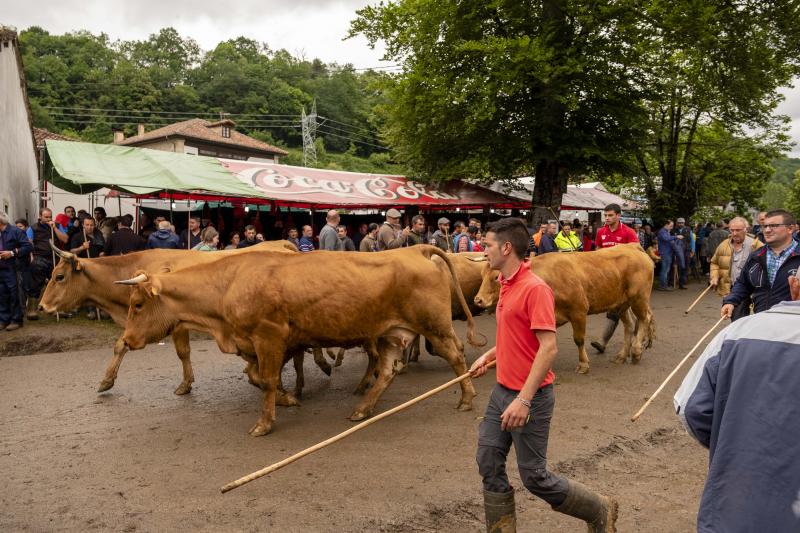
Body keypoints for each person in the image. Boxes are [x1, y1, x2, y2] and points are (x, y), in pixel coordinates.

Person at [469, 217, 617, 532]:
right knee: (488, 460)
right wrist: (490, 355)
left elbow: (548, 348)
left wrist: (523, 400)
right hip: (501, 392)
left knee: (534, 477)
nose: (484, 250)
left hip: (530, 397)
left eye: (488, 245)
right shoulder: (504, 284)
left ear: (506, 248)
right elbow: (515, 336)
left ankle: (599, 509)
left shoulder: (535, 288)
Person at [674, 269, 800, 533]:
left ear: (792, 284)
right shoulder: (755, 256)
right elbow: (739, 282)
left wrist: (731, 442)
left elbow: (691, 408)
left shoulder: (736, 333)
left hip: (734, 506)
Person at [721, 209, 800, 318]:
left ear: (790, 228)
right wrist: (730, 301)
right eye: (765, 226)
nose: (767, 230)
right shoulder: (756, 256)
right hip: (761, 321)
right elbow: (743, 283)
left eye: (774, 225)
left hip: (792, 325)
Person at [709, 217, 763, 321]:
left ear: (746, 229)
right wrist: (714, 277)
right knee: (737, 318)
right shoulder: (724, 245)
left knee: (758, 319)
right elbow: (714, 263)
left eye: (738, 230)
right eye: (732, 230)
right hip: (733, 289)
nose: (734, 233)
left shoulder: (757, 246)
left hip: (753, 289)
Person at [0, 211, 33, 331]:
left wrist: (12, 253)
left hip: (13, 268)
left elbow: (28, 247)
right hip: (1, 269)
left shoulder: (15, 231)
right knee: (2, 295)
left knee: (14, 295)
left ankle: (16, 320)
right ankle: (4, 320)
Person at [656, 220, 682, 291]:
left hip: (667, 253)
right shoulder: (662, 232)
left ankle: (664, 285)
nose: (671, 228)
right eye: (671, 226)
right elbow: (666, 238)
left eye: (672, 226)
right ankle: (663, 286)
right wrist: (676, 237)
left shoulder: (666, 231)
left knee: (666, 270)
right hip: (665, 253)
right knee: (665, 270)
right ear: (666, 225)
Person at [672, 217, 692, 289]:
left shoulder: (688, 229)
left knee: (686, 266)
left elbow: (692, 240)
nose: (681, 224)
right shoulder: (673, 229)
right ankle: (674, 282)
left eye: (682, 223)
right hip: (677, 251)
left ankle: (682, 282)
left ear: (684, 223)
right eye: (679, 223)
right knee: (678, 266)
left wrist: (692, 250)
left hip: (687, 250)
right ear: (677, 223)